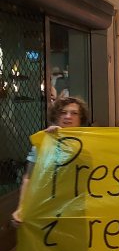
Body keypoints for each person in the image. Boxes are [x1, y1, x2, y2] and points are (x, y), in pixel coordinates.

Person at [12, 96, 89, 224]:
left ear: (81, 119)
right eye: (63, 112)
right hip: (47, 210)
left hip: (77, 211)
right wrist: (21, 208)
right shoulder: (44, 142)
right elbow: (28, 177)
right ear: (56, 116)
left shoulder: (89, 143)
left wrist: (66, 142)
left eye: (74, 113)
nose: (68, 116)